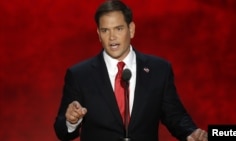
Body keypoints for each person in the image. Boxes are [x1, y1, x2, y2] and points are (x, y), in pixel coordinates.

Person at [54, 0, 208, 141]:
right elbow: (62, 131)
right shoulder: (80, 75)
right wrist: (71, 121)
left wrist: (190, 132)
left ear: (131, 29)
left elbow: (175, 116)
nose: (112, 37)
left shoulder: (159, 70)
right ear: (99, 35)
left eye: (118, 29)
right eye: (105, 30)